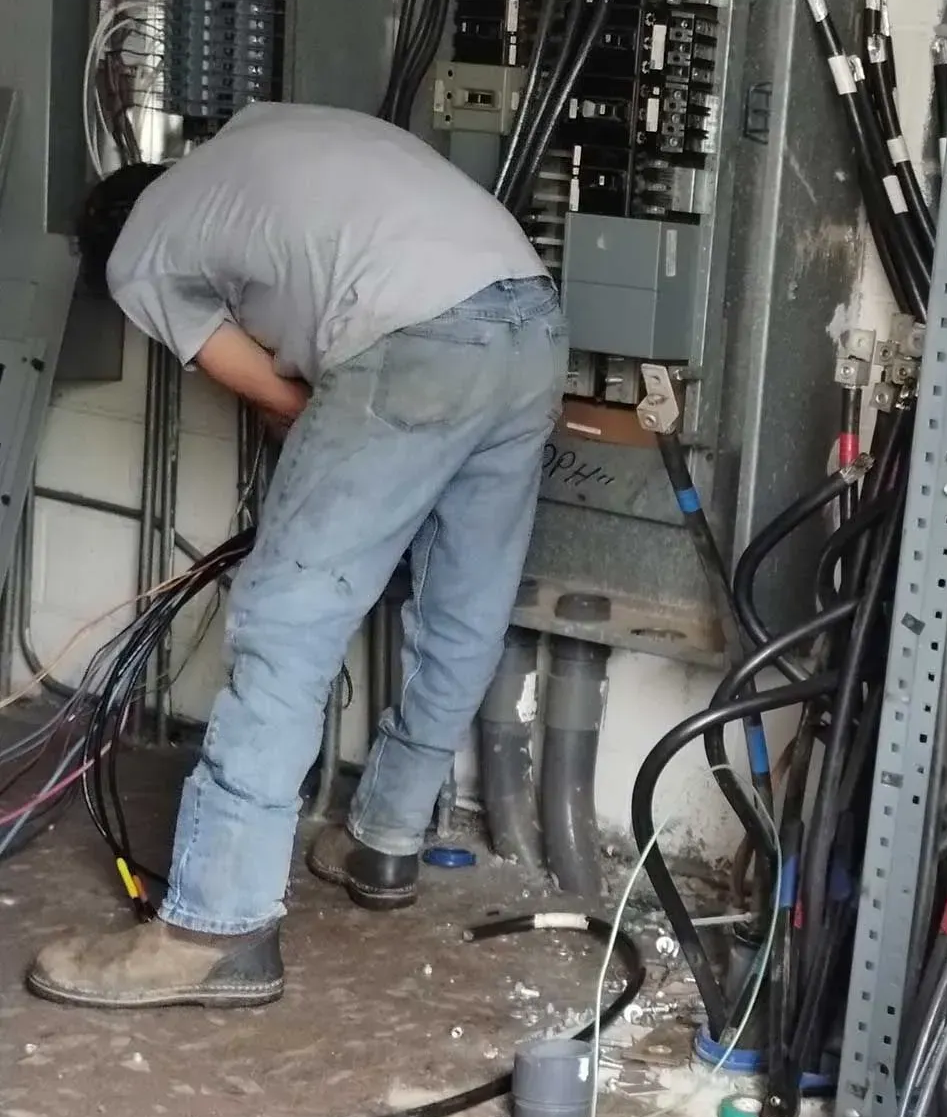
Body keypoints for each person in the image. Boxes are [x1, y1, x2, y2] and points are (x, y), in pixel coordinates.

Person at [28, 102, 567, 1012]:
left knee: (285, 617)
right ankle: (388, 838)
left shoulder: (136, 253)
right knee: (463, 607)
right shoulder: (258, 134)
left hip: (418, 337)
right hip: (531, 316)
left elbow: (280, 394)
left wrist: (313, 478)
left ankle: (214, 929)